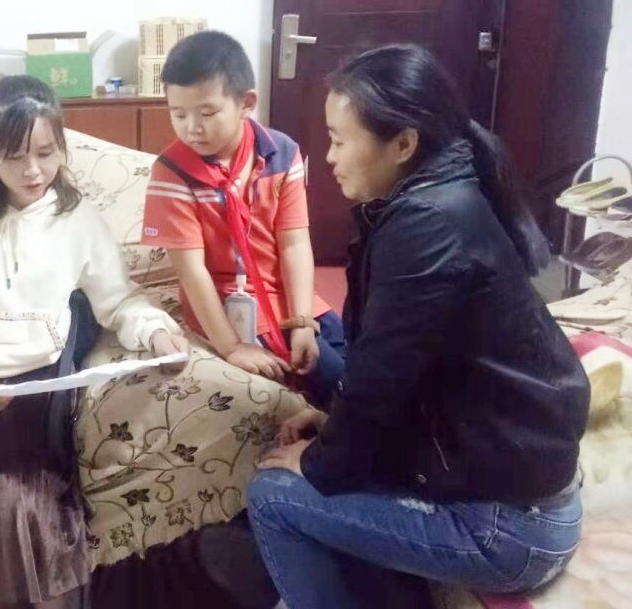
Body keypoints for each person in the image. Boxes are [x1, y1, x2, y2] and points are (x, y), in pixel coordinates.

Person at [248, 44, 590, 608]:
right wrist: (334, 417)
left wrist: (318, 461)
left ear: (404, 144)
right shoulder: (443, 197)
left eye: (339, 140)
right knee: (327, 385)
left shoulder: (427, 225)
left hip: (511, 528)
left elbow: (380, 382)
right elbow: (405, 367)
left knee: (273, 496)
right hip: (510, 480)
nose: (328, 157)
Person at [0, 75, 189, 609]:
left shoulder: (75, 217)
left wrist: (157, 333)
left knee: (33, 505)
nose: (33, 171)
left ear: (62, 146)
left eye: (46, 153)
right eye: (14, 157)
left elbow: (118, 300)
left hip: (36, 388)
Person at [142, 30, 345, 403]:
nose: (191, 127)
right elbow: (192, 272)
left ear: (246, 103)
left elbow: (294, 243)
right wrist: (232, 347)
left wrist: (302, 320)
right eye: (178, 113)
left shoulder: (283, 152)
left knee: (362, 356)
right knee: (336, 381)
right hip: (231, 306)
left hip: (291, 299)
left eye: (207, 113)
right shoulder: (172, 172)